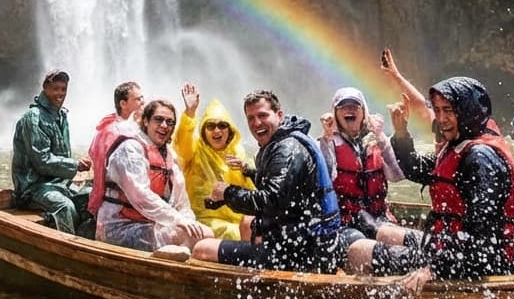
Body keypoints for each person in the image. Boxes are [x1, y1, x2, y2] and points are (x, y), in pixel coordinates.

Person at [345, 76, 514, 292]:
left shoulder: (479, 158)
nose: (441, 118)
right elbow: (415, 169)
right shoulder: (458, 146)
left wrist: (434, 269)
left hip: (478, 264)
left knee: (357, 251)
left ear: (467, 110)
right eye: (437, 111)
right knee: (384, 233)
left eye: (448, 110)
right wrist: (401, 133)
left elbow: (482, 240)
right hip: (450, 247)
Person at [192, 90, 341, 272]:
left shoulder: (287, 149)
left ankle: (244, 294)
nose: (256, 123)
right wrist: (248, 172)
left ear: (279, 115)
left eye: (262, 115)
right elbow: (282, 185)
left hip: (301, 251)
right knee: (248, 223)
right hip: (304, 239)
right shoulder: (284, 141)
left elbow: (271, 199)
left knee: (202, 249)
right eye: (251, 118)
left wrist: (227, 192)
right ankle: (253, 284)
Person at [97, 98, 212, 253]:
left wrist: (188, 221)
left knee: (202, 233)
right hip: (119, 226)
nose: (164, 126)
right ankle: (177, 255)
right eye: (158, 120)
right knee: (196, 235)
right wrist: (177, 220)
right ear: (145, 121)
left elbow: (181, 202)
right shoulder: (130, 148)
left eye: (170, 122)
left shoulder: (169, 154)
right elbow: (140, 196)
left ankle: (180, 253)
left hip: (151, 224)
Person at [11, 68, 92, 234]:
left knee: (92, 195)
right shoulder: (33, 117)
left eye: (63, 89)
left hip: (58, 183)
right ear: (45, 88)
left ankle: (88, 243)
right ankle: (67, 251)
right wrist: (75, 165)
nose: (60, 93)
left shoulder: (61, 115)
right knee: (65, 206)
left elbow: (61, 157)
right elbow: (42, 161)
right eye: (55, 88)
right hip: (32, 187)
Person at [173, 82, 255, 240]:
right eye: (210, 126)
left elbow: (252, 191)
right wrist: (190, 113)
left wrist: (246, 169)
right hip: (204, 220)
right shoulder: (195, 150)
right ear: (203, 130)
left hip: (237, 220)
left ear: (230, 130)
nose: (217, 130)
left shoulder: (239, 152)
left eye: (222, 125)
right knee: (235, 234)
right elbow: (182, 144)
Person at [319, 87, 403, 234]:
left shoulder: (376, 138)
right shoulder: (328, 142)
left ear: (364, 112)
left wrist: (381, 138)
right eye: (343, 106)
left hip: (380, 217)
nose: (349, 110)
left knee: (399, 239)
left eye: (355, 106)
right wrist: (326, 139)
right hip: (346, 223)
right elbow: (326, 178)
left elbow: (396, 175)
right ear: (335, 114)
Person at [87, 80, 144, 219]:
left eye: (142, 98)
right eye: (138, 99)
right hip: (115, 204)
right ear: (123, 104)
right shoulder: (110, 131)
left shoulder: (132, 126)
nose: (143, 102)